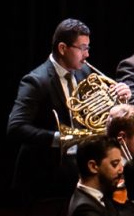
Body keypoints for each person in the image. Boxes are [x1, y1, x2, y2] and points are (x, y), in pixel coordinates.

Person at [6, 18, 105, 158]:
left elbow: (93, 114)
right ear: (62, 48)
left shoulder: (84, 73)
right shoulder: (36, 81)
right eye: (82, 48)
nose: (87, 55)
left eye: (87, 48)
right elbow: (16, 128)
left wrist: (116, 99)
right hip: (47, 169)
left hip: (80, 164)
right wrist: (62, 139)